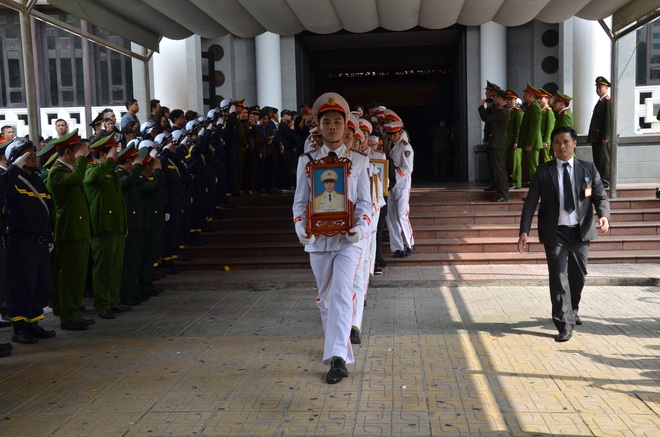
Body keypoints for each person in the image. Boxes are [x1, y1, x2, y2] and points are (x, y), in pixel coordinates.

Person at [292, 92, 371, 384]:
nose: (333, 127)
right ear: (319, 126)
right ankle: (337, 349)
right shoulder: (307, 161)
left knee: (340, 293)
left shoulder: (359, 161)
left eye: (338, 121)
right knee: (325, 298)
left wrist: (361, 228)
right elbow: (300, 202)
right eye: (327, 121)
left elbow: (364, 202)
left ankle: (337, 358)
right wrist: (302, 229)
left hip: (349, 240)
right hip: (318, 241)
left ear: (346, 124)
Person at [518, 126, 610, 342]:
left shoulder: (588, 169)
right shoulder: (544, 171)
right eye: (557, 142)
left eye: (566, 141)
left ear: (574, 143)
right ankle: (564, 324)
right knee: (559, 277)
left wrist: (604, 215)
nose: (562, 146)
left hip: (580, 231)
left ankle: (573, 309)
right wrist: (524, 231)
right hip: (555, 232)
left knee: (578, 275)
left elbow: (600, 197)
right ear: (551, 146)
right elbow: (531, 202)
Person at [3, 138, 55, 344]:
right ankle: (19, 327)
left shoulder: (37, 179)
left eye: (33, 155)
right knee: (21, 284)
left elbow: (47, 208)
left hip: (39, 241)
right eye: (28, 156)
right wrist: (13, 169)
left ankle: (33, 322)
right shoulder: (12, 180)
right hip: (21, 241)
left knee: (40, 283)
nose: (34, 159)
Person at [46, 129, 95, 331]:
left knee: (78, 275)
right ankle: (68, 316)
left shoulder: (68, 171)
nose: (82, 154)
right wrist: (82, 160)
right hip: (69, 231)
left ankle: (74, 311)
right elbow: (76, 180)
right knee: (69, 275)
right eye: (78, 150)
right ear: (67, 152)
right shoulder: (57, 172)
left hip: (79, 230)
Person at [84, 134, 130, 319]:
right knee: (103, 268)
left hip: (116, 226)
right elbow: (91, 179)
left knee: (115, 267)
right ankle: (103, 304)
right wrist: (109, 162)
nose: (116, 156)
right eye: (113, 152)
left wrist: (123, 224)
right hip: (102, 227)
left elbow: (118, 201)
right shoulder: (91, 169)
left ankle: (112, 301)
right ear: (103, 155)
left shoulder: (109, 172)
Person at [385, 121, 415, 257]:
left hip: (402, 184)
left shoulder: (405, 147)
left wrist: (392, 174)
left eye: (394, 134)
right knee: (391, 216)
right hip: (391, 185)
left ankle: (410, 243)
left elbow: (408, 168)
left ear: (399, 133)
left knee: (402, 214)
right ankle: (397, 247)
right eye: (390, 134)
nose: (391, 137)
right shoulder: (390, 144)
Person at [478, 89, 510, 202]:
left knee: (499, 169)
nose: (494, 99)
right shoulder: (501, 110)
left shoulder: (503, 111)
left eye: (496, 97)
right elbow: (491, 117)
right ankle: (501, 192)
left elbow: (486, 118)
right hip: (496, 143)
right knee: (498, 169)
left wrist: (481, 106)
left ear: (500, 99)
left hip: (498, 144)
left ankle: (503, 194)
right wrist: (489, 106)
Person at [587, 76, 612, 188]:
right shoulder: (600, 102)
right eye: (597, 88)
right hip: (596, 137)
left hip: (602, 137)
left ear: (606, 88)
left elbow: (608, 120)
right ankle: (599, 180)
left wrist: (605, 136)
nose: (598, 90)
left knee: (604, 160)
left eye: (600, 87)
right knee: (597, 159)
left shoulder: (607, 102)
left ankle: (605, 181)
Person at [519, 83, 543, 182]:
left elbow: (534, 127)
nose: (524, 96)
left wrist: (529, 143)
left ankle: (535, 193)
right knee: (531, 168)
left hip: (532, 144)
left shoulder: (534, 108)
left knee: (533, 168)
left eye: (525, 94)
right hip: (531, 143)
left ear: (530, 95)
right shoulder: (531, 107)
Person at [505, 89, 524, 190]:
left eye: (511, 99)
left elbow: (518, 128)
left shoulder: (518, 112)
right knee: (511, 163)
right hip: (507, 141)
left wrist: (516, 141)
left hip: (514, 141)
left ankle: (517, 183)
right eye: (507, 99)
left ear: (515, 100)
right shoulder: (508, 111)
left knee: (516, 163)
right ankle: (512, 181)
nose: (508, 101)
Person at [538, 88, 556, 163]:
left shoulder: (549, 112)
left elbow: (549, 128)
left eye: (541, 98)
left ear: (547, 99)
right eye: (538, 98)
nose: (538, 100)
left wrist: (546, 141)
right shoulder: (540, 111)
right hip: (539, 140)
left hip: (544, 141)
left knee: (547, 161)